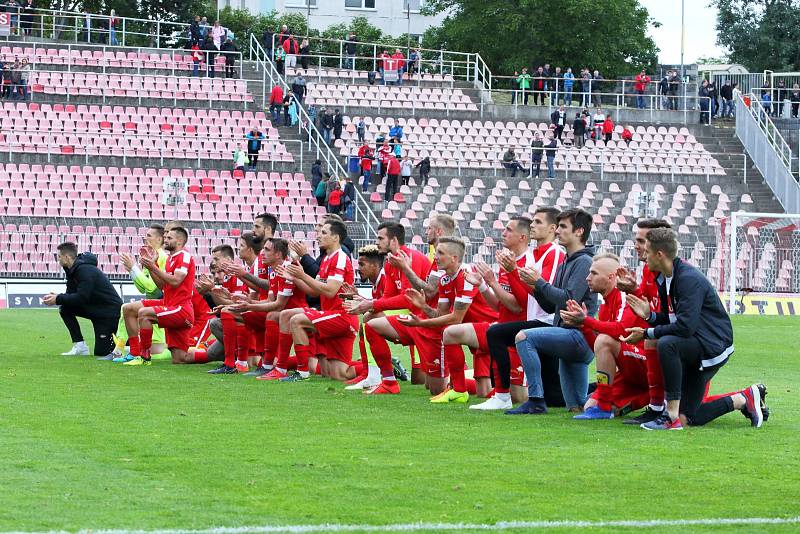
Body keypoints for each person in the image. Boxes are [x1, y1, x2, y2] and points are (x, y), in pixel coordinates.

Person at [621, 228, 769, 430]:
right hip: (697, 343)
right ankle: (744, 399)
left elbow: (684, 328)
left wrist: (646, 332)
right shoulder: (665, 278)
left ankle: (669, 415)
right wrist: (650, 316)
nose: (643, 255)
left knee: (667, 344)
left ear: (659, 254)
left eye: (647, 251)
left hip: (712, 346)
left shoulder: (688, 279)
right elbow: (673, 318)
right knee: (688, 417)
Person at [509, 208, 598, 414]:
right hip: (569, 335)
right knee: (576, 405)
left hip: (579, 336)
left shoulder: (584, 261)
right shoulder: (567, 262)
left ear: (579, 232)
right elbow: (550, 306)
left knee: (524, 337)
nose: (557, 231)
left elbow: (569, 300)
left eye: (563, 227)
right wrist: (533, 285)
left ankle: (536, 400)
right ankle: (609, 393)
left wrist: (539, 282)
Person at [452, 216, 539, 409]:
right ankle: (457, 388)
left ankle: (484, 388)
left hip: (519, 334)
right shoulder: (507, 262)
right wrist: (483, 285)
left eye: (508, 229)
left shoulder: (529, 263)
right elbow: (499, 306)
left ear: (522, 236)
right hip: (501, 328)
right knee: (450, 333)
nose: (503, 233)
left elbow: (517, 307)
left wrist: (491, 281)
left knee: (518, 397)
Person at [399, 237, 498, 404]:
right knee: (482, 392)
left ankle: (459, 387)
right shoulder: (445, 279)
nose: (435, 257)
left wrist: (420, 323)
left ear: (454, 258)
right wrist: (423, 307)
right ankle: (458, 387)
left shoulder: (466, 276)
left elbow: (455, 318)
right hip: (473, 332)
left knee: (450, 333)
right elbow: (440, 315)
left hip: (491, 329)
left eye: (440, 253)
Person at [364, 214, 456, 392]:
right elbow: (422, 292)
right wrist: (371, 303)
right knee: (371, 324)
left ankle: (467, 377)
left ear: (439, 231)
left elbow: (427, 292)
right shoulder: (432, 259)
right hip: (419, 319)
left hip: (432, 324)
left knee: (434, 387)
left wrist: (405, 269)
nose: (426, 231)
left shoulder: (442, 260)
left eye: (429, 228)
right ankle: (387, 381)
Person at [484, 208, 566, 408]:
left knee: (495, 333)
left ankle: (502, 397)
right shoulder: (534, 256)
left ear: (552, 228)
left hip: (546, 321)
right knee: (555, 397)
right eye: (532, 222)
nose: (533, 226)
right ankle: (599, 391)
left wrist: (512, 273)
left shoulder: (553, 253)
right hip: (537, 320)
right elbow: (525, 297)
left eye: (538, 222)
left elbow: (545, 297)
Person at [343, 222, 431, 392]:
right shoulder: (390, 263)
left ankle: (472, 376)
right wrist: (366, 303)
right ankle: (381, 378)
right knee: (370, 320)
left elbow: (408, 300)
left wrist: (371, 304)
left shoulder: (411, 258)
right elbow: (387, 299)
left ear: (394, 241)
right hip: (412, 317)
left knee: (424, 382)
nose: (377, 242)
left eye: (380, 238)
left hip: (427, 318)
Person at [274, 220, 359, 382]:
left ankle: (301, 372)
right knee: (337, 374)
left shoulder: (340, 257)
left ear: (336, 237)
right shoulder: (327, 258)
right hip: (331, 314)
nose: (318, 235)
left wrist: (302, 275)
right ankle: (380, 366)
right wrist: (294, 278)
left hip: (341, 316)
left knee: (296, 320)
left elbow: (330, 290)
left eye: (324, 233)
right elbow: (314, 291)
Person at [120, 227, 198, 366]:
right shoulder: (170, 259)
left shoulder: (184, 256)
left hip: (181, 309)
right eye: (165, 237)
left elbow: (175, 281)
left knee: (144, 313)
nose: (165, 240)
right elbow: (162, 286)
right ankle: (134, 352)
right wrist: (152, 266)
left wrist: (153, 267)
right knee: (180, 359)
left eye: (169, 238)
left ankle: (144, 358)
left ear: (179, 241)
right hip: (169, 304)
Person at [103, 224, 169, 362]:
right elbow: (142, 288)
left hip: (161, 303)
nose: (146, 238)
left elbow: (152, 288)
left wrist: (134, 268)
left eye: (149, 235)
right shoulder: (150, 257)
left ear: (159, 239)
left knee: (159, 351)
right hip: (152, 303)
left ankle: (122, 350)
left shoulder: (162, 257)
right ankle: (122, 350)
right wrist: (132, 271)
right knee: (127, 309)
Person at [43, 242, 122, 357]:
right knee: (65, 308)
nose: (58, 259)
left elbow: (81, 297)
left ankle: (127, 344)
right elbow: (71, 295)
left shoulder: (84, 270)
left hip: (109, 313)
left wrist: (58, 298)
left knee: (102, 353)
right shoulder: (71, 270)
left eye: (59, 256)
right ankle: (80, 346)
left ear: (66, 257)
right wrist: (58, 297)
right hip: (96, 308)